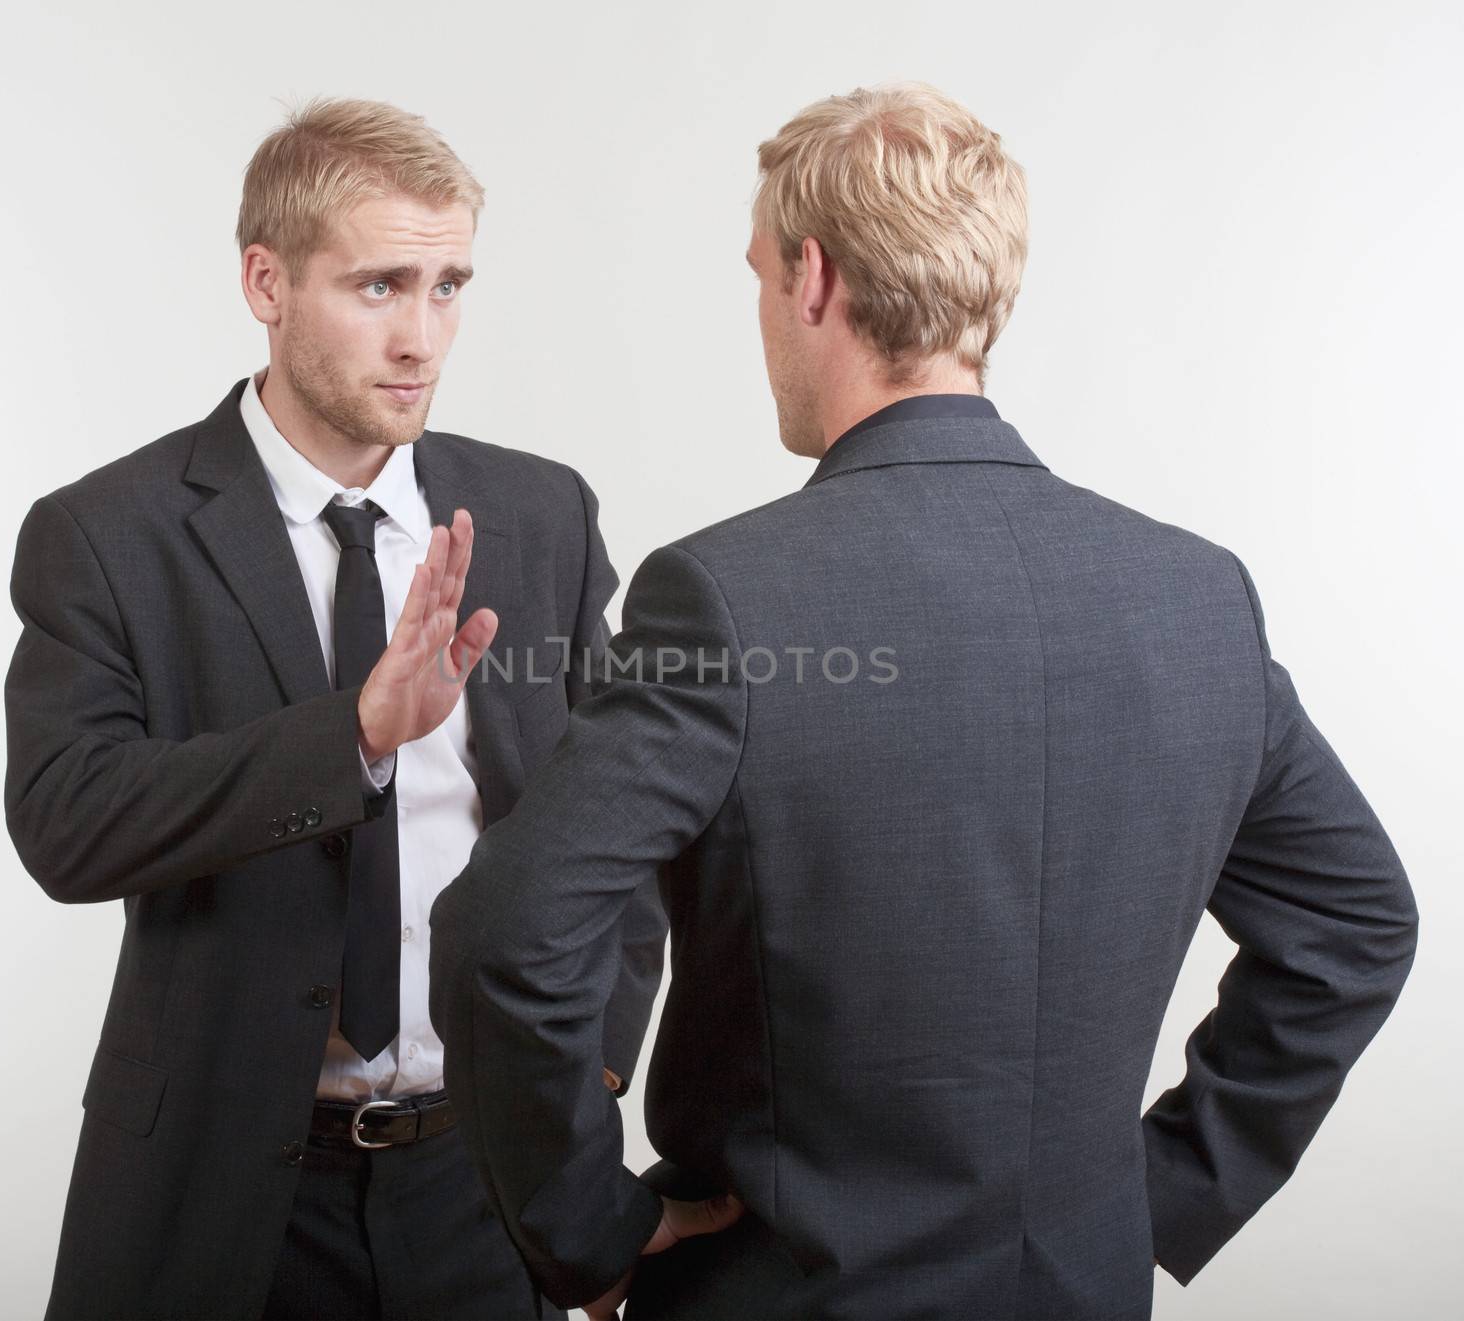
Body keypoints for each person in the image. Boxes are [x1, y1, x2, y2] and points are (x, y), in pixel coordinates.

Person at [428, 82, 1420, 1321]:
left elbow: (508, 935)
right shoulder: (1196, 596)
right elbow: (1358, 925)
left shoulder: (721, 598)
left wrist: (589, 1237)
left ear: (813, 278)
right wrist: (1160, 1194)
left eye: (755, 278)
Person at [2, 96, 666, 1320]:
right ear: (266, 280)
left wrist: (590, 1069)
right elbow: (66, 822)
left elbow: (618, 830)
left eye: (449, 285)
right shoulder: (106, 534)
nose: (423, 336)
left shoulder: (540, 516)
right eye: (379, 287)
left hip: (485, 1179)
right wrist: (352, 735)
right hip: (220, 1189)